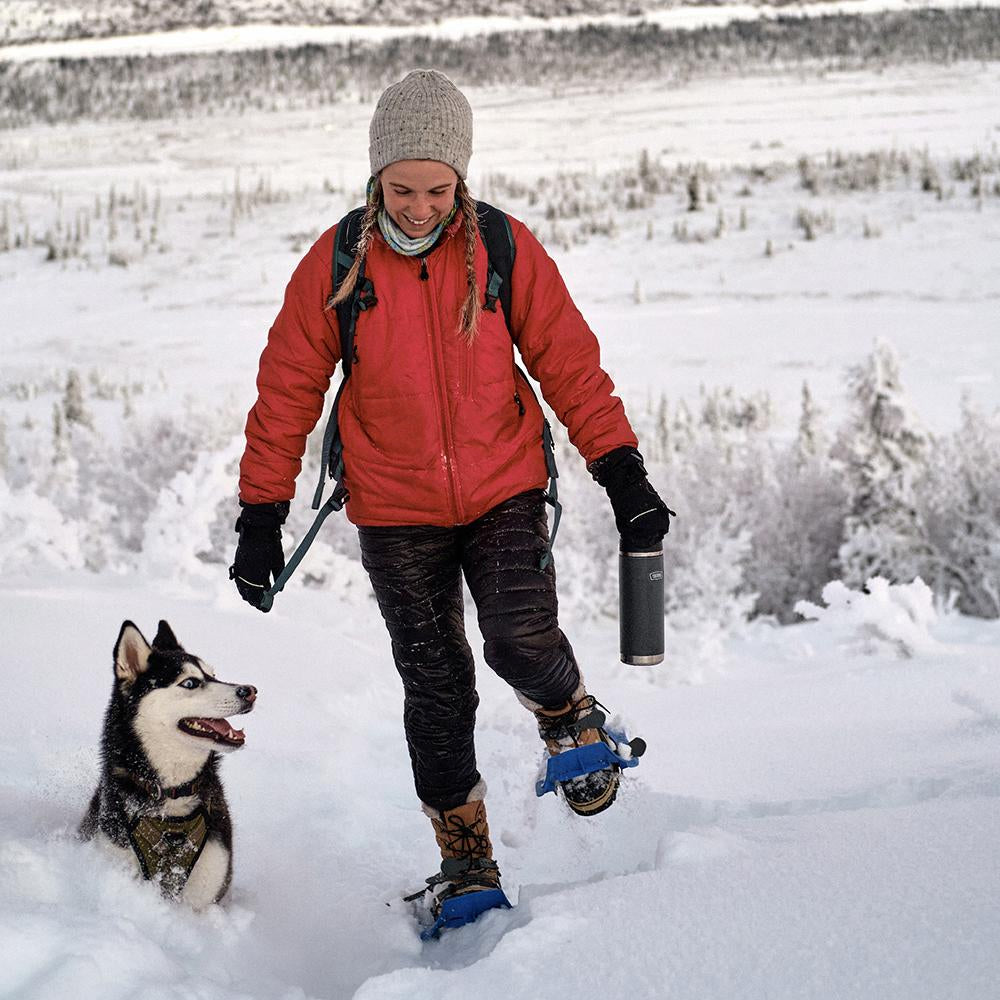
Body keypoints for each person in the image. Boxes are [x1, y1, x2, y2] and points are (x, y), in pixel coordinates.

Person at [231, 69, 672, 922]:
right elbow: (285, 390)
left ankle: (570, 715)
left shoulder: (501, 249)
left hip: (503, 482)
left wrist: (622, 471)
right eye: (402, 188)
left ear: (461, 179)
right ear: (375, 177)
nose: (420, 206)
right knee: (435, 687)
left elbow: (570, 364)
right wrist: (261, 516)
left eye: (438, 188)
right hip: (394, 509)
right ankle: (467, 864)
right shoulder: (336, 264)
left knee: (515, 636)